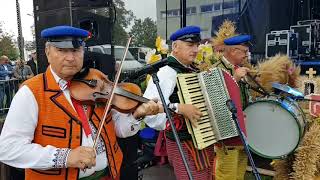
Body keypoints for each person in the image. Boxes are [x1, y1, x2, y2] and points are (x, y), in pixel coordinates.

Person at [0, 25, 163, 180]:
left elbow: (119, 130)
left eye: (76, 50)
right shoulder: (31, 92)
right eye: (61, 50)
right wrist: (65, 157)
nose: (71, 58)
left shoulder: (97, 82)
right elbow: (8, 148)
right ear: (47, 52)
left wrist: (136, 116)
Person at [143, 26, 214, 180]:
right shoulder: (166, 73)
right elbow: (148, 110)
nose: (195, 49)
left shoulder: (191, 70)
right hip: (183, 142)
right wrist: (179, 108)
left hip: (202, 138)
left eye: (196, 45)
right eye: (190, 45)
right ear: (175, 47)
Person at [211, 34, 252, 180]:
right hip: (228, 130)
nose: (246, 56)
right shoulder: (216, 70)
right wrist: (235, 79)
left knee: (240, 171)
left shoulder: (238, 67)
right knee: (227, 173)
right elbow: (215, 100)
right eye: (244, 52)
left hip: (242, 128)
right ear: (233, 51)